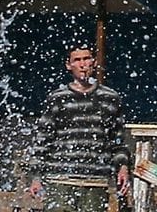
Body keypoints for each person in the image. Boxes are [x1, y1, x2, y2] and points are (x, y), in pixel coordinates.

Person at [28, 43, 130, 212]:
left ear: (94, 62)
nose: (82, 64)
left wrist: (123, 168)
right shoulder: (58, 98)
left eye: (86, 59)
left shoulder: (109, 98)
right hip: (60, 179)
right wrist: (36, 177)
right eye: (77, 60)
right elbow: (43, 139)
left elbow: (118, 140)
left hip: (95, 181)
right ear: (69, 65)